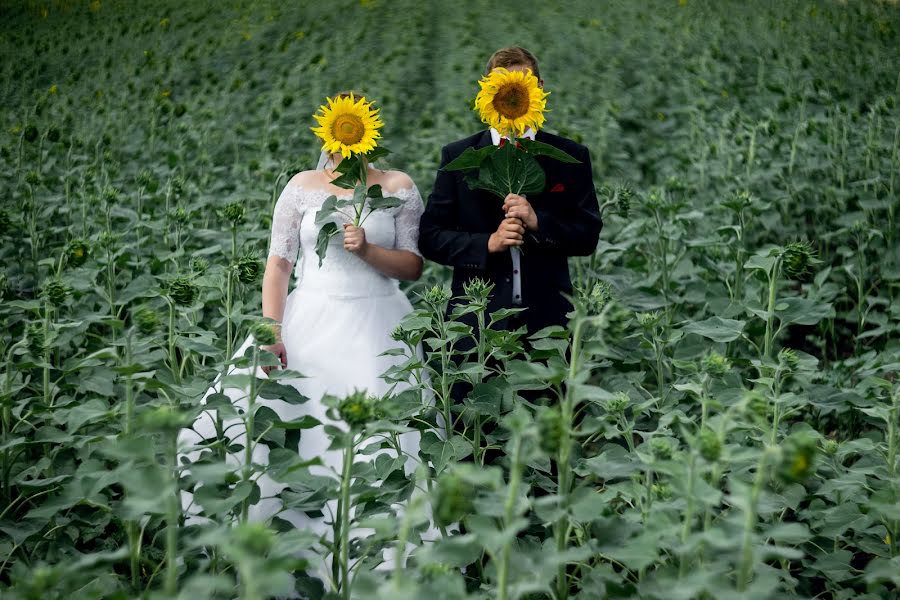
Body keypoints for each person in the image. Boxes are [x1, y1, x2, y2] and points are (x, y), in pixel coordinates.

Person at [177, 92, 437, 586]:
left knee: (375, 441)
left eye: (355, 133)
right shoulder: (301, 188)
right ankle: (290, 554)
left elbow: (413, 265)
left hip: (378, 321)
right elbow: (279, 264)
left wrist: (367, 251)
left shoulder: (398, 186)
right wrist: (271, 330)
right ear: (328, 136)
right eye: (338, 134)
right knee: (298, 431)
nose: (345, 144)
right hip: (310, 317)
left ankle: (377, 562)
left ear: (368, 135)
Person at [419, 46, 602, 382]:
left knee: (548, 424)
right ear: (487, 91)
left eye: (522, 84)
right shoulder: (460, 155)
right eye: (503, 87)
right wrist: (487, 243)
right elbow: (430, 236)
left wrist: (538, 222)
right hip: (477, 321)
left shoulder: (567, 155)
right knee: (475, 424)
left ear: (539, 87)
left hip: (548, 323)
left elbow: (588, 232)